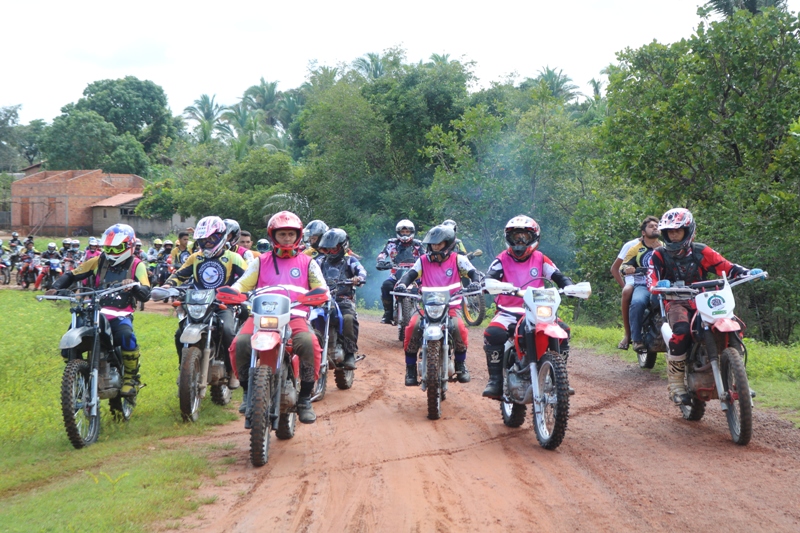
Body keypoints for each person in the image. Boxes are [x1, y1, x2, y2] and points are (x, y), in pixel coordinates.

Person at [229, 211, 328, 424]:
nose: (287, 238)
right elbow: (242, 284)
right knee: (240, 343)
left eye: (291, 234)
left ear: (298, 236)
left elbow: (321, 287)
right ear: (273, 235)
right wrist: (233, 292)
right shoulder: (260, 261)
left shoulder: (308, 262)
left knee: (309, 343)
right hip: (261, 316)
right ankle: (247, 391)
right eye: (282, 234)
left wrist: (317, 295)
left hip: (295, 315)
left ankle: (304, 398)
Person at [647, 208, 752, 405]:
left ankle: (740, 379)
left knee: (734, 325)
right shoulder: (658, 255)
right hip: (676, 300)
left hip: (704, 298)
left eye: (678, 231)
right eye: (669, 231)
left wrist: (747, 272)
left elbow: (726, 266)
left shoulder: (701, 251)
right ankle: (676, 385)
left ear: (688, 231)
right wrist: (657, 285)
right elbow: (651, 278)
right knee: (681, 331)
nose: (673, 235)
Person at [47, 224, 151, 396]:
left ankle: (130, 378)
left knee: (126, 336)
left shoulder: (136, 265)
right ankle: (77, 375)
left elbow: (146, 290)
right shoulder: (98, 260)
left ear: (129, 246)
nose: (111, 251)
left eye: (117, 247)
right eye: (108, 247)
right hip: (95, 310)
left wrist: (134, 287)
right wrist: (55, 288)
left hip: (120, 313)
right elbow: (73, 274)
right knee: (70, 337)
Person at [481, 216, 575, 398]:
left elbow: (557, 275)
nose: (520, 241)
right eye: (516, 237)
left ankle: (560, 379)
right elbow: (490, 276)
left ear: (533, 237)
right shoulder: (502, 259)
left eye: (524, 237)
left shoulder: (540, 258)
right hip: (508, 312)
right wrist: (489, 284)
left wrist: (569, 286)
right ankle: (495, 381)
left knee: (563, 330)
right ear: (509, 238)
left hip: (537, 310)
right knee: (494, 333)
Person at [162, 216, 248, 389]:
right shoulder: (195, 257)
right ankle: (184, 369)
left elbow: (247, 279)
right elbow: (180, 275)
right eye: (203, 240)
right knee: (180, 334)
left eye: (212, 239)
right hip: (197, 303)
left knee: (228, 330)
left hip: (224, 304)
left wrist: (243, 293)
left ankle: (233, 371)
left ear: (222, 237)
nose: (207, 243)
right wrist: (167, 285)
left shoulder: (234, 258)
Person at [395, 224, 480, 386]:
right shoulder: (422, 261)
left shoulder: (458, 259)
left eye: (438, 244)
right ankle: (410, 368)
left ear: (448, 244)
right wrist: (402, 284)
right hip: (426, 308)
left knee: (459, 328)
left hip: (451, 308)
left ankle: (460, 364)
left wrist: (475, 283)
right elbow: (410, 275)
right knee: (412, 326)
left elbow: (473, 273)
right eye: (433, 244)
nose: (435, 247)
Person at [316, 228, 367, 370]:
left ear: (342, 247)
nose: (330, 252)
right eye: (327, 249)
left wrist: (358, 278)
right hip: (321, 299)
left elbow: (361, 271)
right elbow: (307, 272)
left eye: (333, 249)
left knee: (349, 319)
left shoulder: (350, 260)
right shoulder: (319, 262)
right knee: (309, 319)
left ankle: (350, 352)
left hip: (343, 299)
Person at [619, 217, 662, 352]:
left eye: (657, 226)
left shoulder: (664, 247)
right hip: (643, 285)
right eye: (651, 226)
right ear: (643, 232)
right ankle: (636, 339)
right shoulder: (635, 249)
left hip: (662, 285)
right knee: (637, 302)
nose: (655, 228)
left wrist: (662, 251)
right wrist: (627, 269)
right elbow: (622, 266)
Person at [376, 219, 424, 324]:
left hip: (415, 274)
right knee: (386, 286)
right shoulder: (392, 243)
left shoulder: (418, 244)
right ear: (398, 233)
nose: (405, 234)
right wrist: (381, 261)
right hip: (396, 273)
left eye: (407, 232)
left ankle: (429, 313)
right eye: (403, 232)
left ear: (412, 232)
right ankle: (388, 313)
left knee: (427, 288)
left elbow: (424, 256)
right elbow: (382, 254)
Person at [611, 234, 641, 350]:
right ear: (643, 231)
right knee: (627, 292)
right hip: (635, 280)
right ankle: (628, 334)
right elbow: (615, 268)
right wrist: (624, 285)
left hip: (655, 281)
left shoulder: (661, 245)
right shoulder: (631, 245)